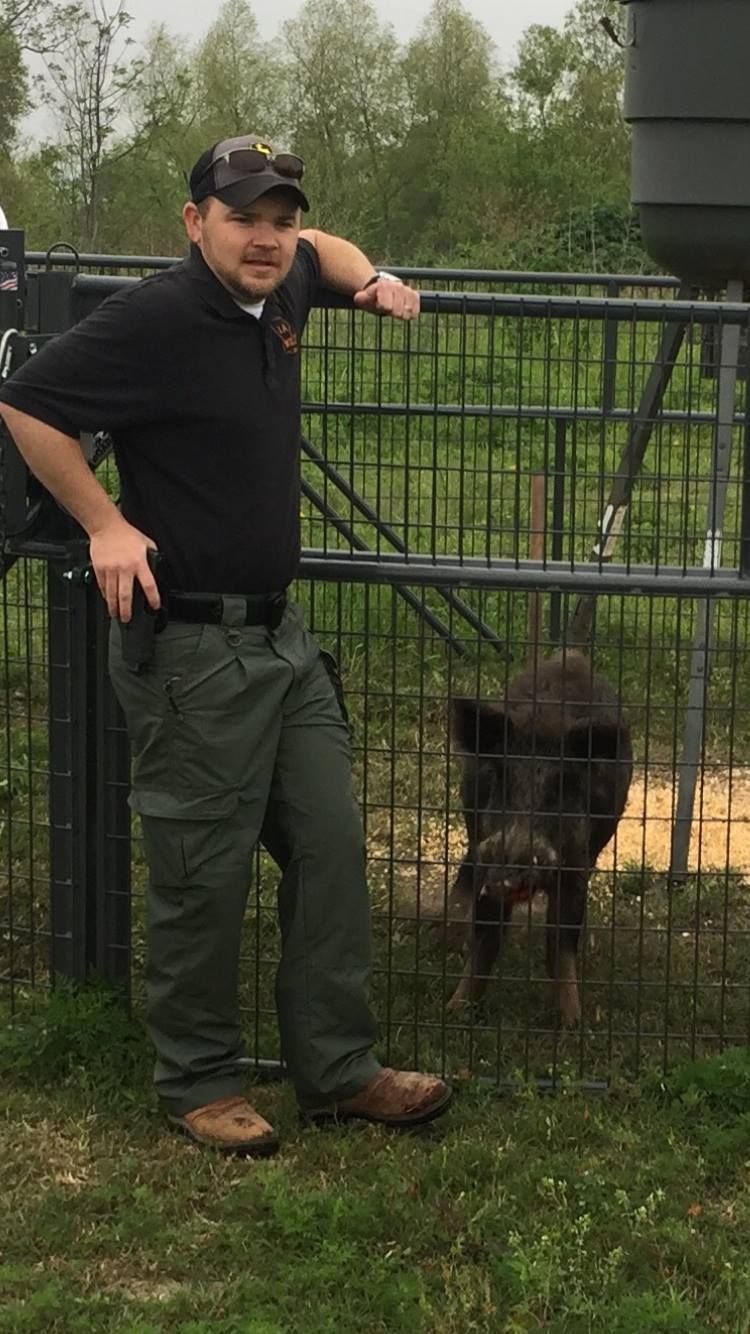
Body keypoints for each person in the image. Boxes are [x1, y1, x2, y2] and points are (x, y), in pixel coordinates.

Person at [0, 135, 452, 1155]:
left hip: (283, 642)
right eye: (244, 215)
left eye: (280, 217)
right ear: (194, 220)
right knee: (202, 871)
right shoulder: (154, 318)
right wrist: (103, 523)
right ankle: (197, 1076)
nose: (269, 236)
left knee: (331, 846)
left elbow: (325, 250)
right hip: (194, 649)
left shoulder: (284, 281)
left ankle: (336, 1068)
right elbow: (26, 402)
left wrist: (370, 277)